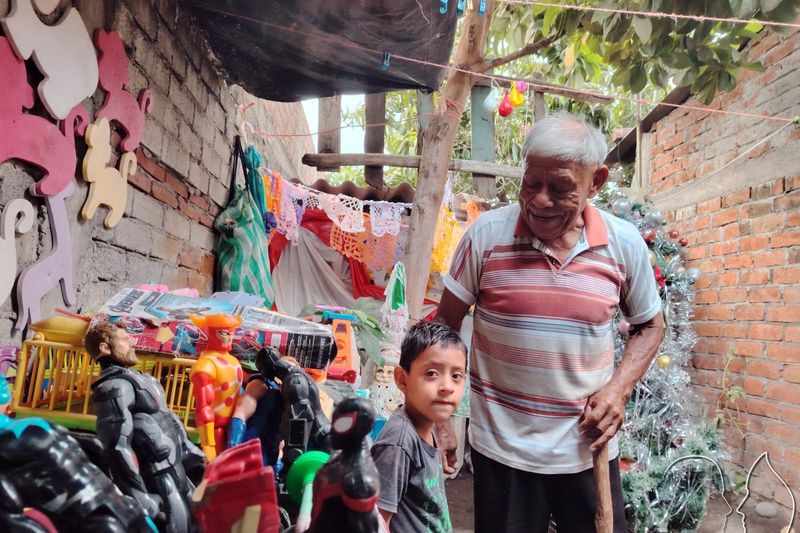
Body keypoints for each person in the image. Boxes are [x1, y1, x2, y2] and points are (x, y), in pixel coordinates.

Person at [436, 112, 664, 532]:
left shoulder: (624, 243)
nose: (539, 200)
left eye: (560, 188)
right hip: (503, 453)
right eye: (530, 183)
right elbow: (442, 330)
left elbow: (651, 324)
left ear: (596, 182)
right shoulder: (485, 236)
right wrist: (441, 420)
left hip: (587, 450)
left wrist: (618, 388)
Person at [86, 322, 205, 533]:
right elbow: (116, 446)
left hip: (178, 472)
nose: (131, 343)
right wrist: (137, 493)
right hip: (159, 481)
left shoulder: (142, 380)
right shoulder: (114, 387)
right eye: (124, 340)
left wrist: (193, 455)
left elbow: (169, 420)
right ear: (105, 348)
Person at [371, 322, 468, 533]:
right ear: (402, 380)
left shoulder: (426, 423)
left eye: (456, 376)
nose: (447, 387)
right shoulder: (399, 442)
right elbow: (377, 521)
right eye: (432, 373)